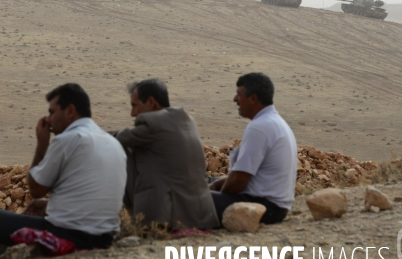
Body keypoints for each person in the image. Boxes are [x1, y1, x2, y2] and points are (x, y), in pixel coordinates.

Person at [0, 83, 127, 254]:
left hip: (69, 235)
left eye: (52, 112)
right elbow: (92, 195)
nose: (48, 119)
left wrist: (42, 145)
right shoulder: (113, 143)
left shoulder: (67, 139)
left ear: (70, 111)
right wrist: (51, 207)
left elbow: (36, 190)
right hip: (107, 237)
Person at [113, 79, 219, 230]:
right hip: (200, 214)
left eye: (134, 106)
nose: (133, 113)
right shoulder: (185, 119)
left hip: (171, 217)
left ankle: (135, 218)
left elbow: (119, 138)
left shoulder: (153, 123)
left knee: (123, 149)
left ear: (151, 102)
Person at [210, 73, 297, 225]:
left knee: (189, 198)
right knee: (209, 182)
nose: (235, 99)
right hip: (275, 207)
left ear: (253, 98)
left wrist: (216, 197)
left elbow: (238, 181)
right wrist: (217, 185)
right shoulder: (274, 122)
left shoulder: (259, 127)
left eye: (239, 94)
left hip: (263, 209)